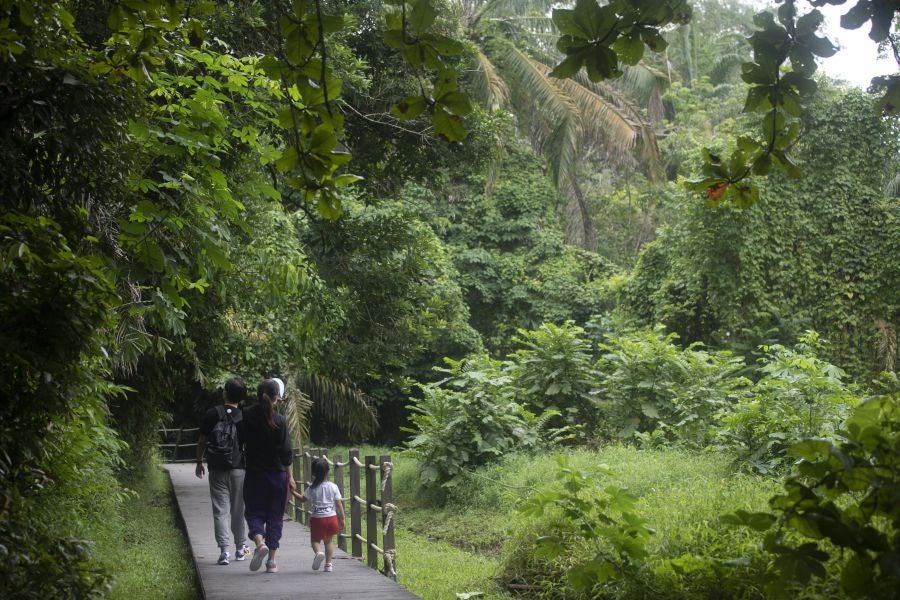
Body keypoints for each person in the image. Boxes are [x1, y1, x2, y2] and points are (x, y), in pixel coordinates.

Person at [240, 378, 297, 574]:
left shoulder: (246, 415)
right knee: (275, 517)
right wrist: (290, 477)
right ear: (276, 398)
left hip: (255, 474)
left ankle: (259, 544)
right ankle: (271, 562)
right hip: (277, 476)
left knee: (254, 512)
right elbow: (287, 452)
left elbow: (239, 442)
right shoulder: (280, 420)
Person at [195, 377, 250, 565]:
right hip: (238, 469)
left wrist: (199, 461)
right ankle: (240, 549)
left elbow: (202, 440)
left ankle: (224, 552)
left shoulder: (212, 414)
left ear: (225, 393)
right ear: (241, 398)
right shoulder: (244, 416)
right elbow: (247, 446)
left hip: (217, 468)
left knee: (220, 510)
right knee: (237, 510)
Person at [291, 457, 345, 572]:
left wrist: (293, 492)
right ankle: (328, 564)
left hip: (318, 519)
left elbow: (302, 499)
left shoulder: (312, 488)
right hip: (332, 518)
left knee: (315, 540)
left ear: (313, 473)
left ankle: (318, 552)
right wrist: (342, 519)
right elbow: (339, 505)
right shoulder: (333, 486)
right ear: (327, 472)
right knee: (328, 542)